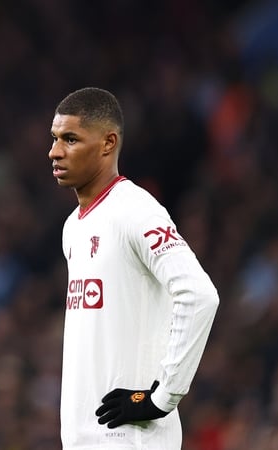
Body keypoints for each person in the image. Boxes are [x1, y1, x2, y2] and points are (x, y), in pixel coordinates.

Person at [48, 87, 219, 449]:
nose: (55, 151)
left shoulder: (136, 211)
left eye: (70, 139)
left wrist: (160, 398)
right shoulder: (73, 227)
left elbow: (200, 295)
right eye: (55, 139)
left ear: (108, 143)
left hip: (131, 440)